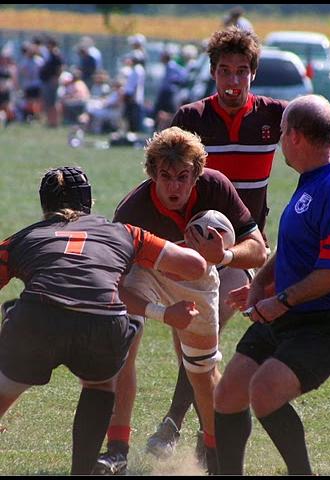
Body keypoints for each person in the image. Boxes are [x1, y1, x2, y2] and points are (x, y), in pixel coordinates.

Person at [0, 165, 207, 475]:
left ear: (45, 205)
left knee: (7, 375)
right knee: (99, 382)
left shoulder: (21, 239)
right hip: (101, 322)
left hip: (39, 318)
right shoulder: (126, 232)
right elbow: (194, 266)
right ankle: (82, 470)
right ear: (89, 203)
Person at [93, 127, 267, 475]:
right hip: (148, 274)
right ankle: (117, 450)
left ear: (197, 173)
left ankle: (215, 457)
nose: (174, 186)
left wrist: (226, 255)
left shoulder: (216, 187)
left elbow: (259, 251)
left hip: (202, 277)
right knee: (123, 344)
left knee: (202, 370)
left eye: (183, 177)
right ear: (152, 173)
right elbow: (114, 287)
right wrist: (160, 312)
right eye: (165, 176)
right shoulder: (133, 210)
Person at [214, 94, 330, 475]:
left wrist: (280, 300)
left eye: (283, 132)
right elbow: (288, 251)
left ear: (297, 136)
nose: (281, 139)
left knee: (264, 391)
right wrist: (259, 287)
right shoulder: (312, 183)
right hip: (293, 311)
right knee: (229, 394)